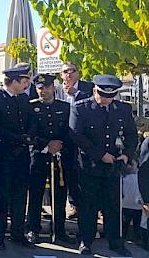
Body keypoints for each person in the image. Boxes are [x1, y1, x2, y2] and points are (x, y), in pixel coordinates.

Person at [70, 74, 138, 256]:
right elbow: (77, 135)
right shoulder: (81, 108)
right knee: (88, 206)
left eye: (111, 96)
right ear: (94, 90)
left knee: (113, 206)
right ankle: (86, 240)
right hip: (90, 165)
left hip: (114, 166)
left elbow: (132, 134)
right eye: (103, 95)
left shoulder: (123, 109)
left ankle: (116, 242)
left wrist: (126, 154)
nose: (106, 99)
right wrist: (100, 155)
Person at [0, 64, 36, 249]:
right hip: (3, 154)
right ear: (14, 81)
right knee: (2, 195)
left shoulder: (23, 99)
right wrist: (18, 138)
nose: (27, 84)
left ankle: (17, 232)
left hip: (21, 154)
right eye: (24, 81)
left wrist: (29, 136)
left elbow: (31, 120)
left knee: (20, 195)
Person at [25, 74, 74, 245]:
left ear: (53, 87)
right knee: (36, 193)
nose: (43, 91)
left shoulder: (65, 107)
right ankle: (33, 229)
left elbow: (70, 132)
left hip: (60, 156)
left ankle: (59, 230)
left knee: (59, 195)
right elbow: (29, 133)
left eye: (46, 87)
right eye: (39, 88)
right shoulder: (31, 107)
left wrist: (59, 145)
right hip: (39, 155)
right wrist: (47, 144)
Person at [56, 61, 91, 220]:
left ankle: (89, 206)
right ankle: (73, 205)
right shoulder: (56, 89)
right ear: (61, 75)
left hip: (84, 137)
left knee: (83, 173)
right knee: (68, 173)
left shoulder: (88, 88)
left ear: (78, 73)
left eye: (72, 71)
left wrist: (76, 93)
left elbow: (93, 103)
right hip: (64, 137)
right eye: (65, 71)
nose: (68, 74)